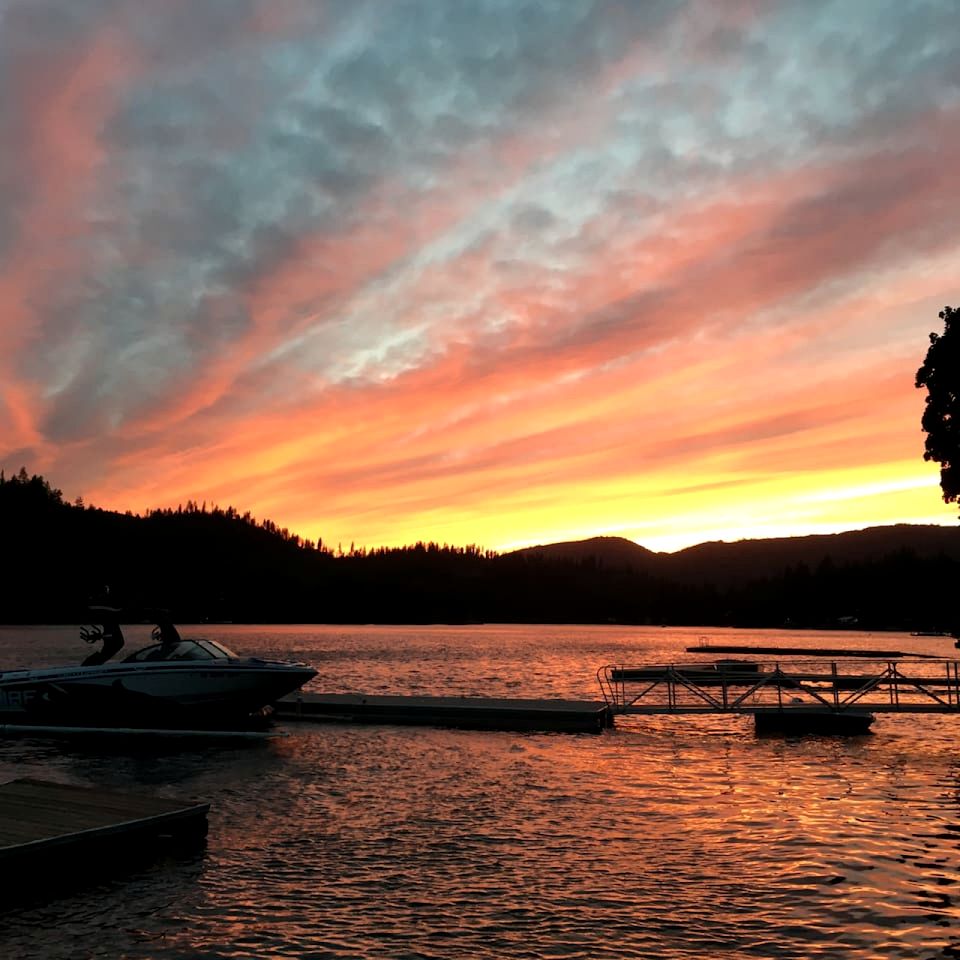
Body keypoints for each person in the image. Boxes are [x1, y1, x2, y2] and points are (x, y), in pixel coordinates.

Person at [80, 587, 125, 665]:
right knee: (108, 650)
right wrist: (100, 636)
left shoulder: (107, 611)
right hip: (113, 641)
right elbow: (110, 633)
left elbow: (110, 633)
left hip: (114, 641)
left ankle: (88, 665)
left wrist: (100, 636)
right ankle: (89, 665)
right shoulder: (107, 612)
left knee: (109, 648)